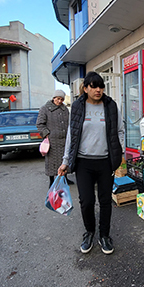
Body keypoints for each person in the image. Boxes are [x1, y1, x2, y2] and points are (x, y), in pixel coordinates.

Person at [58, 72, 124, 255]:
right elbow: (72, 136)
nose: (98, 90)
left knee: (105, 202)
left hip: (105, 162)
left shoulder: (110, 106)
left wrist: (119, 154)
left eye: (101, 86)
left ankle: (104, 235)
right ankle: (89, 232)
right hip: (83, 163)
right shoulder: (78, 107)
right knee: (86, 201)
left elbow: (120, 131)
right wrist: (65, 161)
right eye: (94, 86)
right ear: (85, 88)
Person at [36, 89, 73, 187]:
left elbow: (69, 123)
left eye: (61, 99)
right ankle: (51, 180)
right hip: (52, 141)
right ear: (53, 98)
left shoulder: (65, 109)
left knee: (64, 160)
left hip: (64, 140)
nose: (60, 101)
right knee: (51, 162)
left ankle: (65, 178)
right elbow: (40, 123)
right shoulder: (45, 109)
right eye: (58, 99)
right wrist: (47, 134)